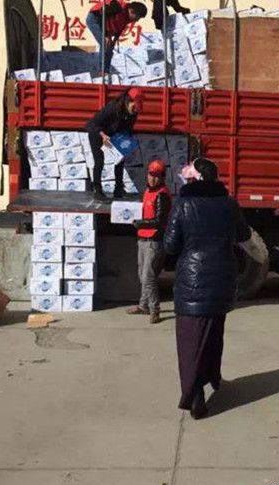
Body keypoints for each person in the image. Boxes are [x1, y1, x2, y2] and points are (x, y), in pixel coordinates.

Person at [164, 158, 251, 419]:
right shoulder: (229, 204)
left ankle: (195, 395)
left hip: (192, 281)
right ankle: (211, 378)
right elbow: (244, 234)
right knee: (213, 336)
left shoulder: (183, 204)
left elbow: (170, 244)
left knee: (190, 342)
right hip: (222, 278)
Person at [127, 159, 172, 324]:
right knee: (142, 275)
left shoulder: (162, 195)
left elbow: (160, 220)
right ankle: (144, 305)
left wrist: (140, 223)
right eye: (151, 175)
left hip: (154, 240)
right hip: (143, 238)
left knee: (149, 277)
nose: (153, 178)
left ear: (162, 177)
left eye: (157, 176)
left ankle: (155, 310)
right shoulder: (147, 191)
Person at [85, 88, 143, 200]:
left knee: (120, 159)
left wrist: (128, 142)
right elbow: (92, 124)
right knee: (99, 161)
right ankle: (97, 190)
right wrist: (103, 135)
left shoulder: (133, 113)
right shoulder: (112, 108)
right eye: (134, 107)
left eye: (137, 108)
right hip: (98, 133)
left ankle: (118, 189)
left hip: (114, 134)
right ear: (128, 101)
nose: (135, 110)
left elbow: (127, 128)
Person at [87, 0, 148, 74]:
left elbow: (120, 29)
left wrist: (114, 41)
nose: (137, 20)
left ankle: (106, 71)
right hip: (95, 19)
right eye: (138, 17)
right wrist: (106, 35)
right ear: (132, 11)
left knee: (110, 46)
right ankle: (102, 71)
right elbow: (102, 16)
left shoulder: (128, 17)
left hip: (106, 26)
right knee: (105, 43)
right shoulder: (117, 7)